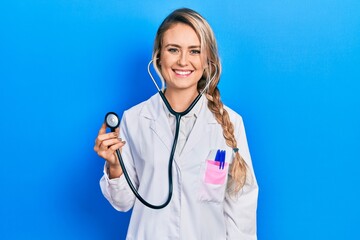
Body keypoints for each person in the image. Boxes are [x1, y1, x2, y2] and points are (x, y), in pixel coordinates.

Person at [94, 8, 258, 240]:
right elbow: (123, 203)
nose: (183, 61)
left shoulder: (230, 123)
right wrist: (114, 166)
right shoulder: (134, 119)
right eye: (173, 50)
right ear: (159, 57)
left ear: (207, 60)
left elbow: (242, 207)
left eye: (194, 51)